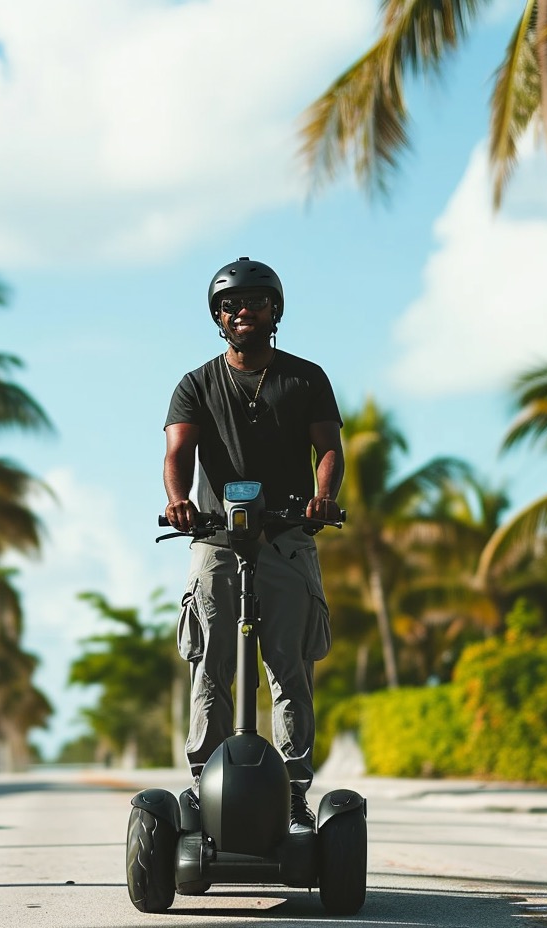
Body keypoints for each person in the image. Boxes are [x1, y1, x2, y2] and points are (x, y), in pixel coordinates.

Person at [162, 256, 344, 834]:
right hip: (215, 537)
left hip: (288, 538)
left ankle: (292, 793)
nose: (242, 312)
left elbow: (330, 450)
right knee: (210, 663)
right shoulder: (196, 383)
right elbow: (178, 453)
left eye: (254, 302)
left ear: (274, 309)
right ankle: (202, 788)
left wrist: (322, 497)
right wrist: (179, 500)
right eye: (230, 306)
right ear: (218, 317)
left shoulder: (305, 378)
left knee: (290, 669)